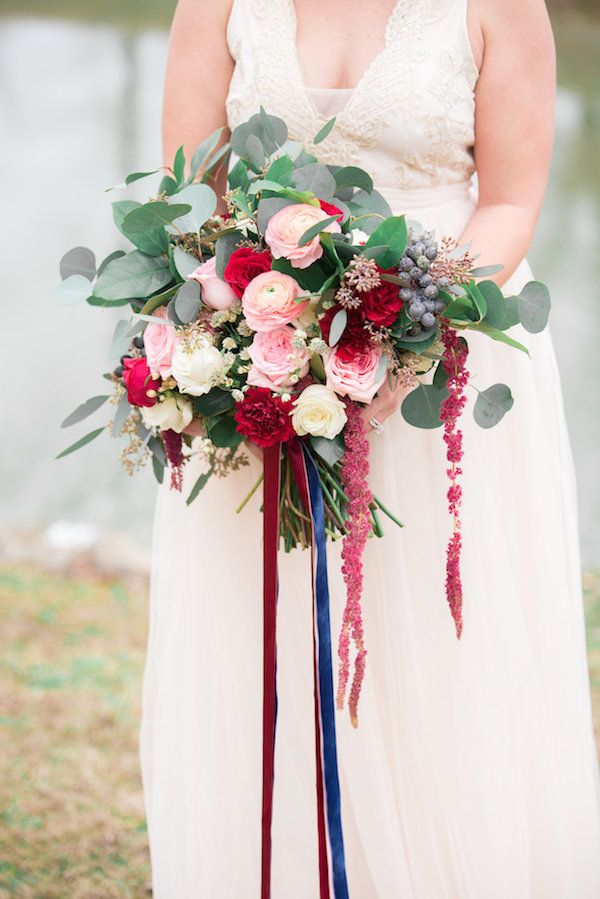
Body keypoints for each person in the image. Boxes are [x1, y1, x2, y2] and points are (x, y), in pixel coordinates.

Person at [139, 1, 600, 895]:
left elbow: (509, 201)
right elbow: (186, 195)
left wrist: (403, 344)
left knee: (438, 648)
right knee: (263, 644)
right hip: (262, 367)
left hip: (443, 357)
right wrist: (241, 336)